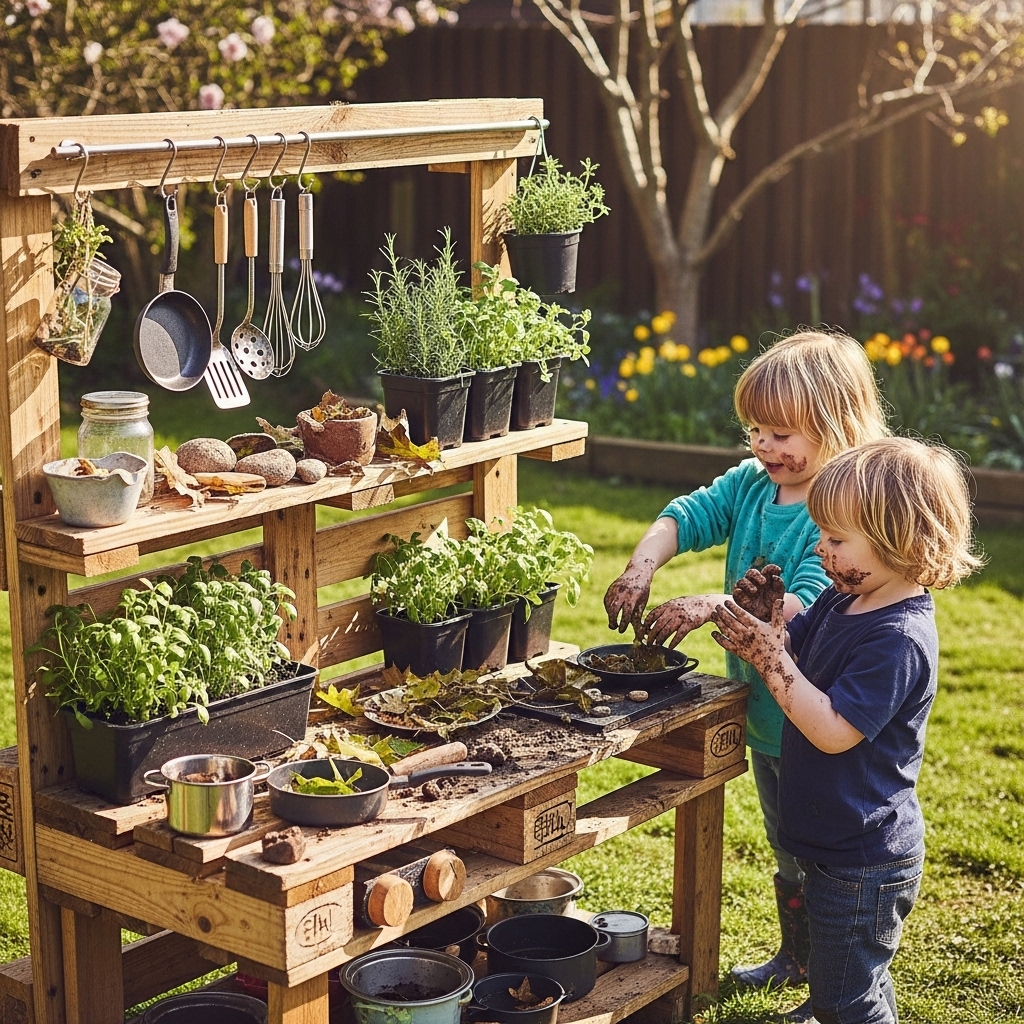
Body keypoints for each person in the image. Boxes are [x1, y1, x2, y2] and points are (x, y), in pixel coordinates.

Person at [603, 331, 889, 1004]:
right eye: (755, 430)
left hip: (820, 711)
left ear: (837, 422)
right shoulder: (755, 486)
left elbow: (814, 603)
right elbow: (686, 514)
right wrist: (641, 564)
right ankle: (798, 958)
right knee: (786, 840)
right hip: (766, 710)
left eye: (783, 432)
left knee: (826, 856)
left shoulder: (845, 509)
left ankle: (842, 980)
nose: (765, 446)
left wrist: (717, 604)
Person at [711, 438, 981, 1024]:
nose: (821, 550)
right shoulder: (843, 600)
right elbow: (796, 649)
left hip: (865, 859)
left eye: (836, 540)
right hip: (837, 843)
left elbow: (833, 730)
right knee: (852, 980)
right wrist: (767, 621)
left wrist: (768, 661)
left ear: (900, 543)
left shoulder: (897, 639)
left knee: (848, 1001)